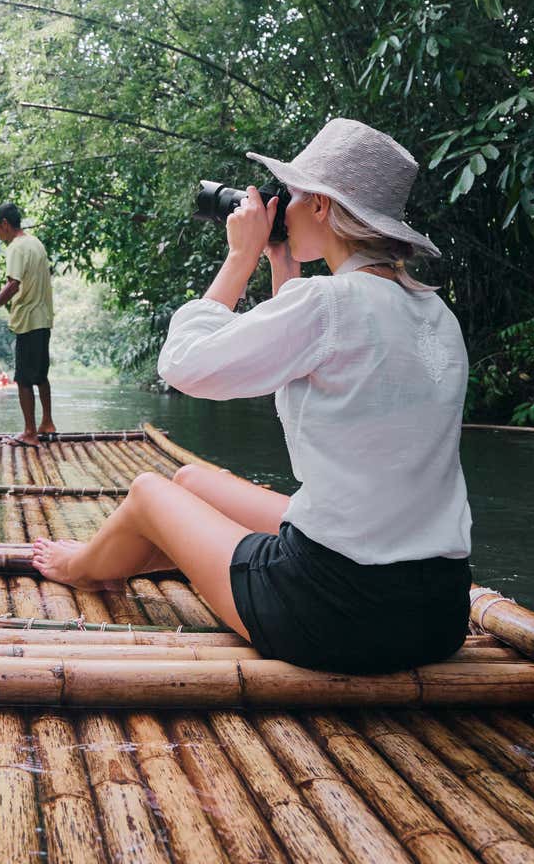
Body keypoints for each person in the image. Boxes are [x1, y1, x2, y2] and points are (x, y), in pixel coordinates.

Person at [30, 118, 472, 674]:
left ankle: (84, 566)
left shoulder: (327, 303)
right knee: (190, 482)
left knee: (148, 491)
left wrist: (239, 257)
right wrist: (282, 267)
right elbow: (319, 363)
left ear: (321, 208)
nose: (279, 209)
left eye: (291, 196)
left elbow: (184, 367)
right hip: (438, 614)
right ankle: (162, 552)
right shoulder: (435, 312)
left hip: (335, 613)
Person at [0, 202, 56, 444]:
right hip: (43, 319)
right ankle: (47, 422)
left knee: (23, 379)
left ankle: (30, 433)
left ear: (6, 224)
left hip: (28, 319)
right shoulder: (35, 242)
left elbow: (13, 285)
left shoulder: (17, 248)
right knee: (40, 374)